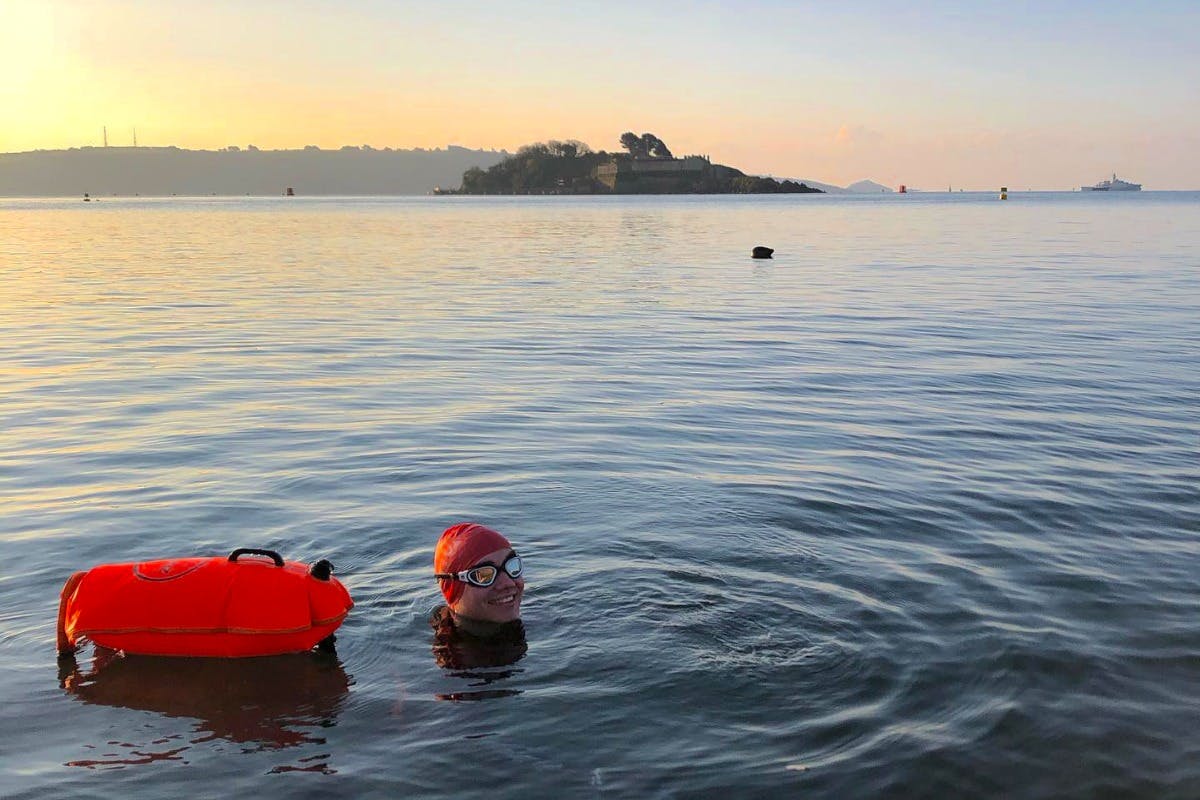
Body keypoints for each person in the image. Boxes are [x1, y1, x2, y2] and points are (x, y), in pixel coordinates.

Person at [430, 523, 527, 670]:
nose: (508, 583)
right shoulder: (453, 671)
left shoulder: (548, 620)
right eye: (484, 575)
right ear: (453, 590)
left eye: (512, 566)